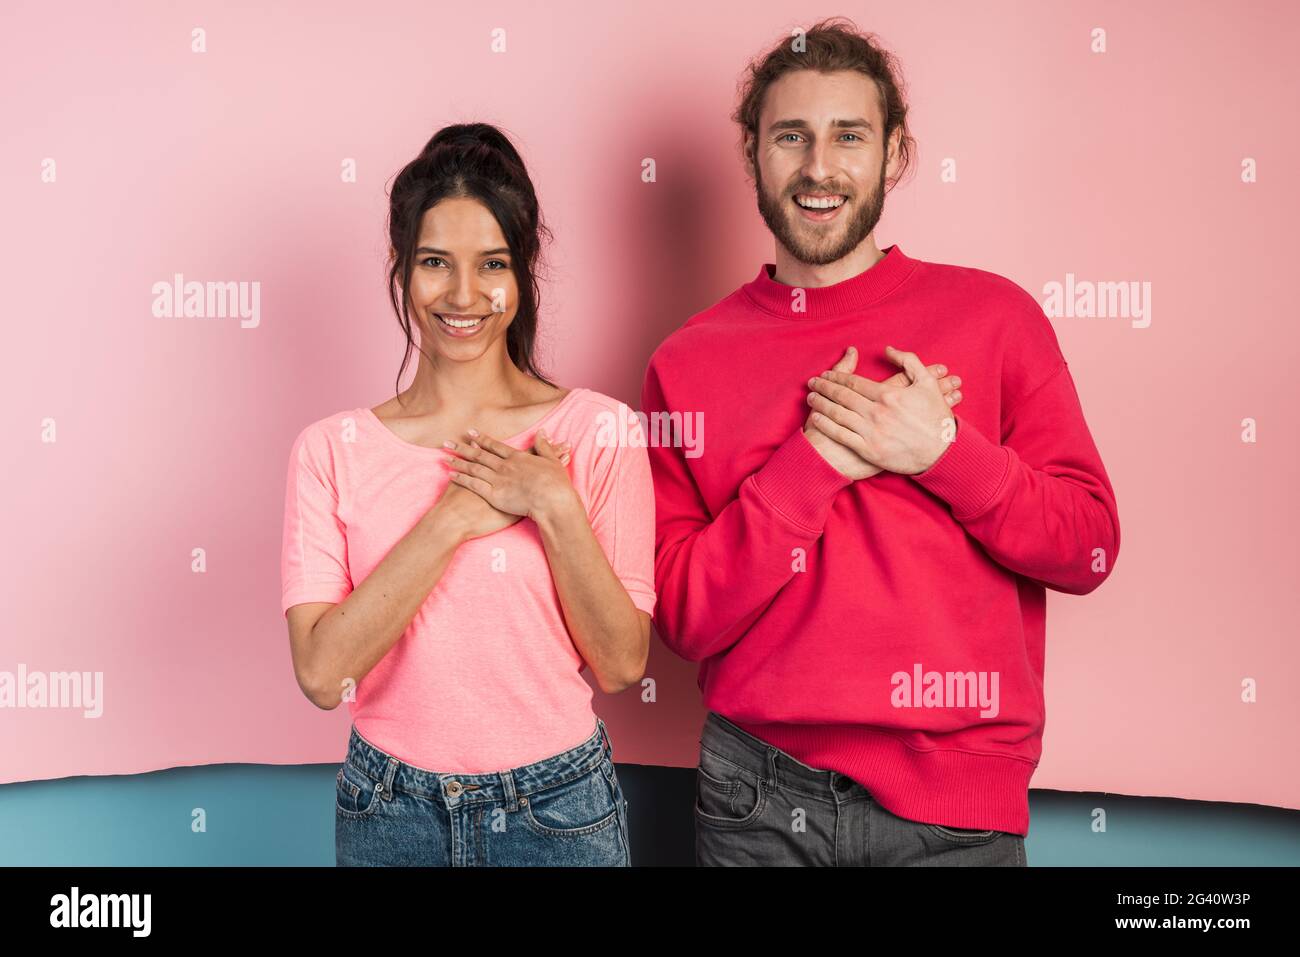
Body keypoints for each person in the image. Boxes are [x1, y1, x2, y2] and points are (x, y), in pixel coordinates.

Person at [641, 18, 1120, 866]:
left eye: (849, 136)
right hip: (754, 796)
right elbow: (683, 614)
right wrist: (816, 462)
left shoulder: (996, 318)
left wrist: (941, 449)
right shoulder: (686, 362)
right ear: (752, 155)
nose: (819, 168)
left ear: (895, 154)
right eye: (791, 137)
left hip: (955, 810)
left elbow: (1087, 547)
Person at [281, 123, 655, 866]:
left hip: (559, 810)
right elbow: (324, 675)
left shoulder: (598, 429)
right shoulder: (329, 450)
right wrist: (451, 518)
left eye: (491, 264)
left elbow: (620, 664)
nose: (463, 295)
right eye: (433, 263)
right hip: (389, 809)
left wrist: (553, 502)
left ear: (523, 271)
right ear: (401, 268)